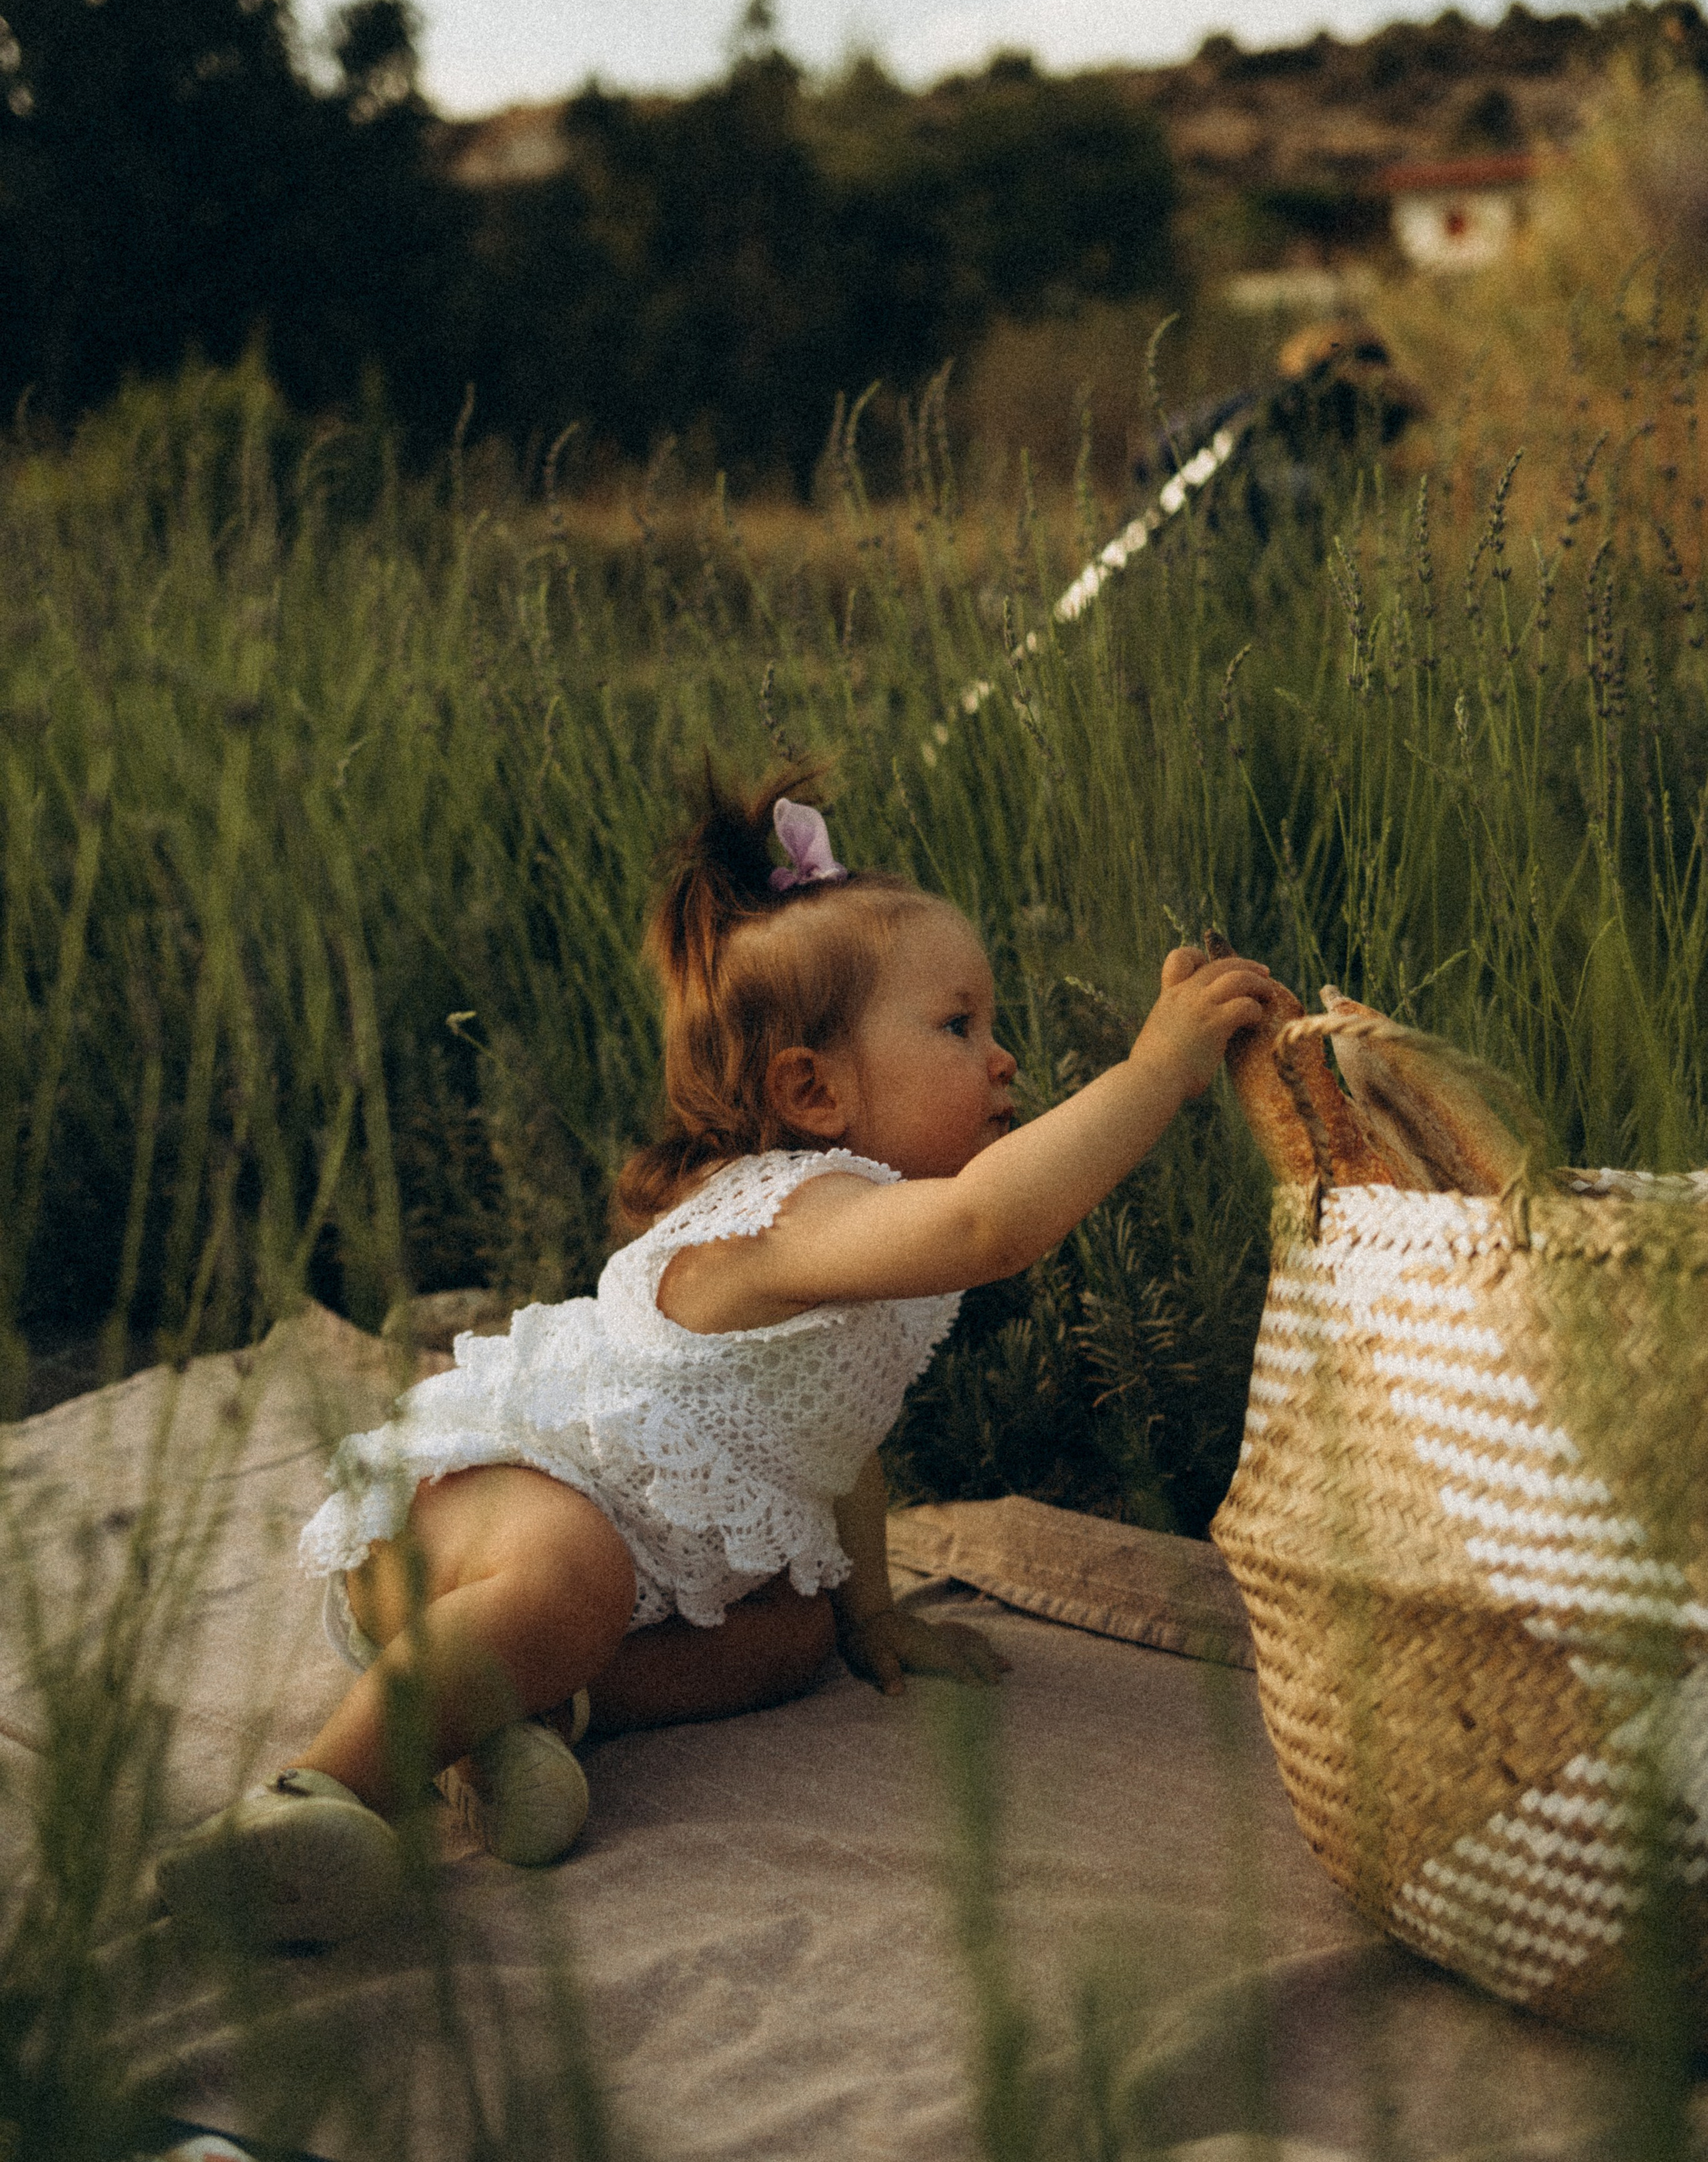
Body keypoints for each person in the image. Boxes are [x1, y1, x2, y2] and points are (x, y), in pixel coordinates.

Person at [155, 774, 1270, 1945]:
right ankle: (309, 1801)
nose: (1002, 1060)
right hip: (473, 1520)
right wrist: (1156, 1073)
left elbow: (840, 1443)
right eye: (959, 1027)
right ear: (813, 1089)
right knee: (573, 1573)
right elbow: (991, 1223)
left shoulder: (862, 1231)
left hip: (604, 1581)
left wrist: (869, 1615)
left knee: (791, 1638)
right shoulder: (786, 1217)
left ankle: (511, 1724)